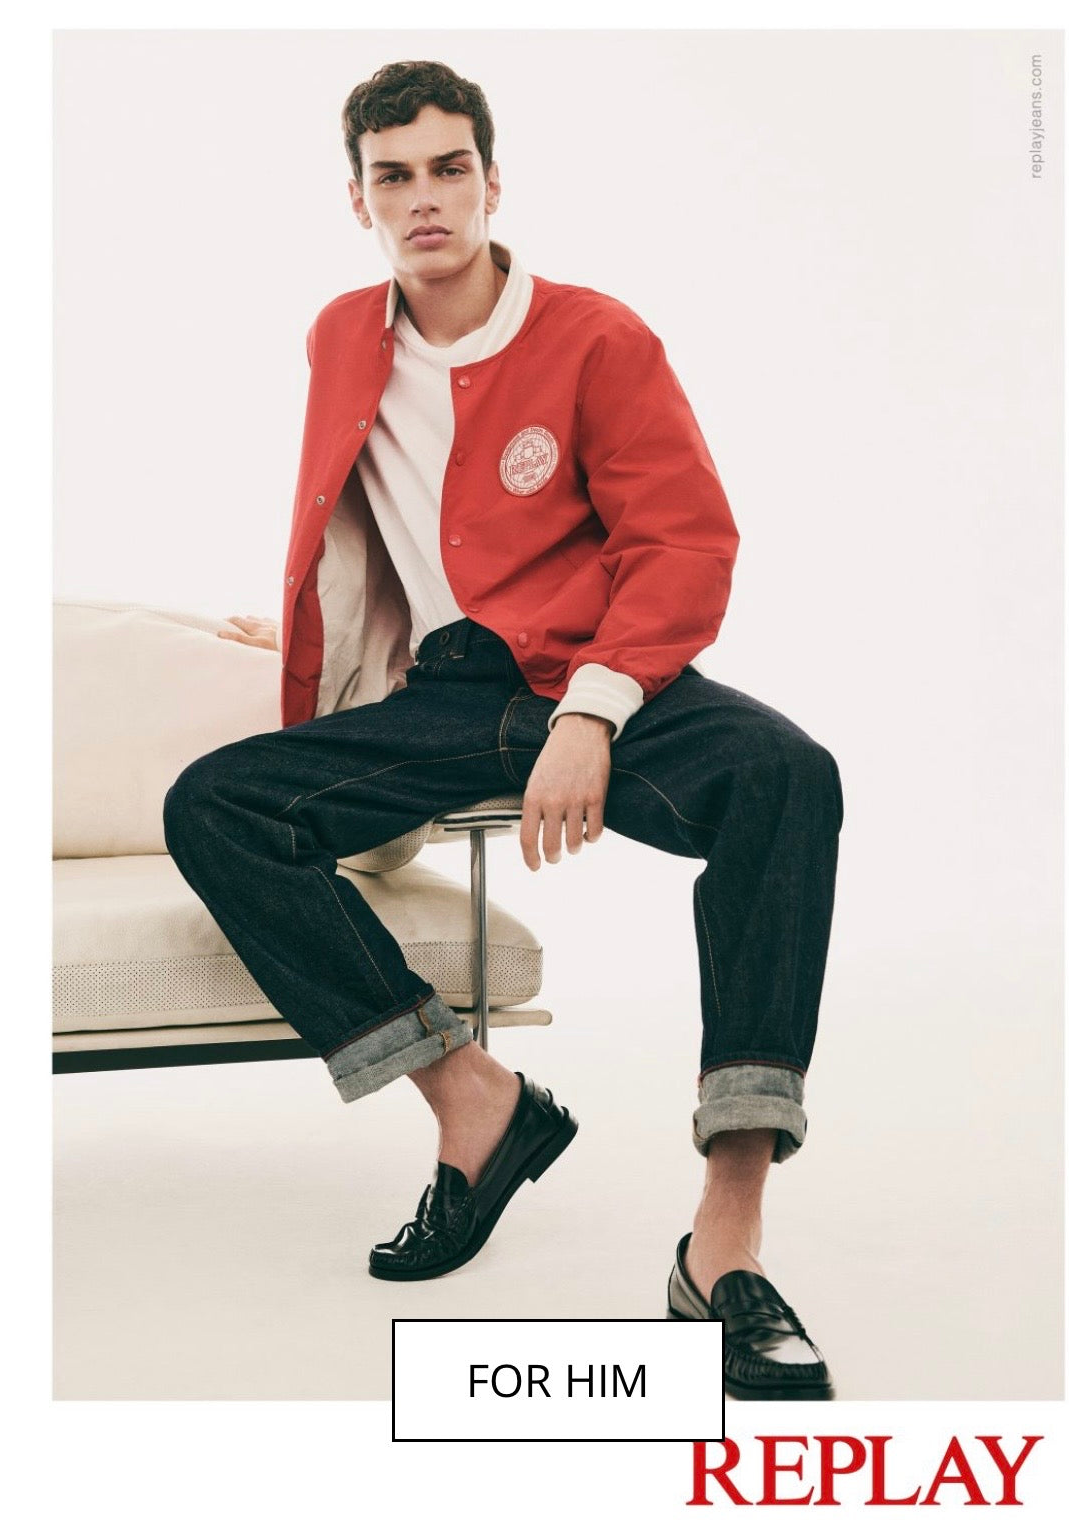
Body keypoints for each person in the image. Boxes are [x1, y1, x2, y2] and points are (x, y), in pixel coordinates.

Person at [163, 60, 843, 1401]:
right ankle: (473, 1100)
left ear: (491, 180)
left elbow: (683, 543)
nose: (424, 198)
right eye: (393, 176)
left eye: (449, 168)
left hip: (600, 673)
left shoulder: (597, 338)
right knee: (216, 806)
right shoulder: (341, 336)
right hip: (446, 692)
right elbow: (355, 517)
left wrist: (593, 709)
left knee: (788, 777)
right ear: (357, 198)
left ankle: (726, 1239)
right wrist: (309, 636)